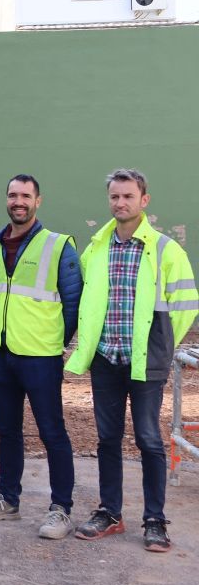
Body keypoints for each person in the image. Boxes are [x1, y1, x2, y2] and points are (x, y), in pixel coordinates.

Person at [67, 169, 197, 553]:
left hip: (145, 362)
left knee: (148, 439)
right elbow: (88, 304)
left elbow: (186, 305)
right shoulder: (97, 247)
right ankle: (110, 513)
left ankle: (154, 521)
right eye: (114, 197)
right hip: (107, 359)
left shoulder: (164, 249)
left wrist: (159, 342)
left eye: (128, 196)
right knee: (108, 439)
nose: (120, 203)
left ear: (144, 200)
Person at [0, 175, 82, 540]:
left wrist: (54, 342)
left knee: (52, 433)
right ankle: (8, 501)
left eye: (25, 196)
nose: (18, 201)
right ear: (7, 199)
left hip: (40, 358)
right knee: (8, 433)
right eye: (12, 195)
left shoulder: (58, 245)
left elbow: (72, 302)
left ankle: (61, 509)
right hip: (1, 355)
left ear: (38, 200)